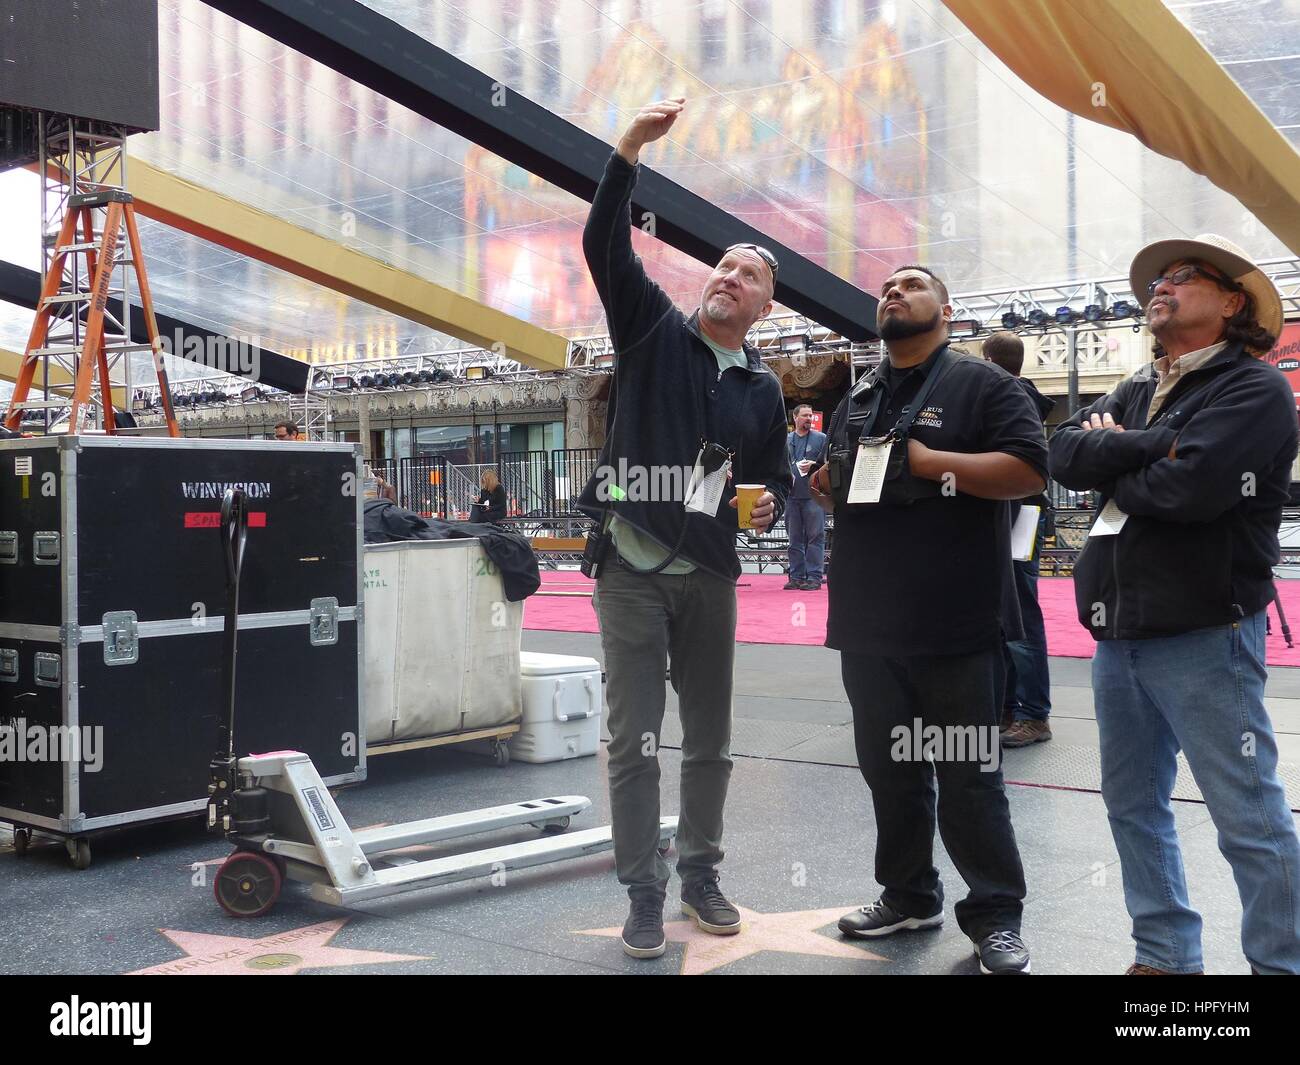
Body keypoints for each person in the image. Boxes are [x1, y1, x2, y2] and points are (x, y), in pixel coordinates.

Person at [575, 97, 792, 960]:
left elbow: (767, 477)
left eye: (750, 274)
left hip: (710, 573)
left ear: (766, 306)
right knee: (633, 740)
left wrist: (769, 500)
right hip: (630, 565)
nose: (729, 275)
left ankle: (700, 869)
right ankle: (643, 890)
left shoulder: (764, 391)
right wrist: (628, 149)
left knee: (711, 740)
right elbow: (603, 245)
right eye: (724, 264)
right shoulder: (651, 330)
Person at [1048, 234, 1300, 975]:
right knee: (1132, 805)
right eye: (1158, 278)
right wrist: (1152, 445)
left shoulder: (1254, 388)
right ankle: (1163, 953)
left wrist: (1119, 455)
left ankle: (1280, 965)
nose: (1162, 284)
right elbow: (1063, 453)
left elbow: (1189, 492)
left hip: (1204, 631)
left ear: (1232, 303)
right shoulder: (1136, 384)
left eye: (1184, 277)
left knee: (1247, 816)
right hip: (1117, 631)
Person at [810, 265, 1047, 975]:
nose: (893, 293)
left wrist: (932, 460)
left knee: (969, 774)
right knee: (890, 770)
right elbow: (851, 492)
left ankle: (996, 915)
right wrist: (827, 489)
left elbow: (1030, 470)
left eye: (911, 285)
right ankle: (909, 893)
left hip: (955, 618)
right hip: (867, 619)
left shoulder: (983, 386)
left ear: (946, 310)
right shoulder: (858, 394)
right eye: (887, 287)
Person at [982, 332, 1055, 747]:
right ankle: (1013, 706)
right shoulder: (1022, 394)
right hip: (1022, 511)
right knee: (1008, 608)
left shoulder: (1011, 396)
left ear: (990, 359)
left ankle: (1033, 712)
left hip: (1021, 512)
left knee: (1020, 609)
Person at [784, 403, 829, 590]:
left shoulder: (821, 438)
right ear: (795, 418)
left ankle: (814, 577)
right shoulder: (785, 440)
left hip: (814, 495)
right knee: (794, 538)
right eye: (805, 415)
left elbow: (829, 462)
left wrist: (815, 464)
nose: (809, 418)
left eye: (810, 415)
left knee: (815, 537)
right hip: (791, 496)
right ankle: (796, 576)